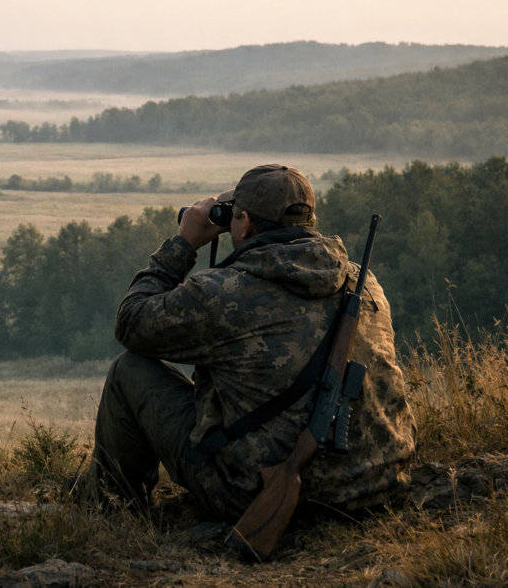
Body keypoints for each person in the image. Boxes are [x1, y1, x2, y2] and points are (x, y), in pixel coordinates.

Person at [73, 164, 416, 522]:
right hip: (377, 485)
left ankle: (111, 506)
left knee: (128, 370)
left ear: (245, 224)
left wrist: (184, 243)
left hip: (255, 494)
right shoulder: (361, 282)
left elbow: (130, 322)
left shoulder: (225, 293)